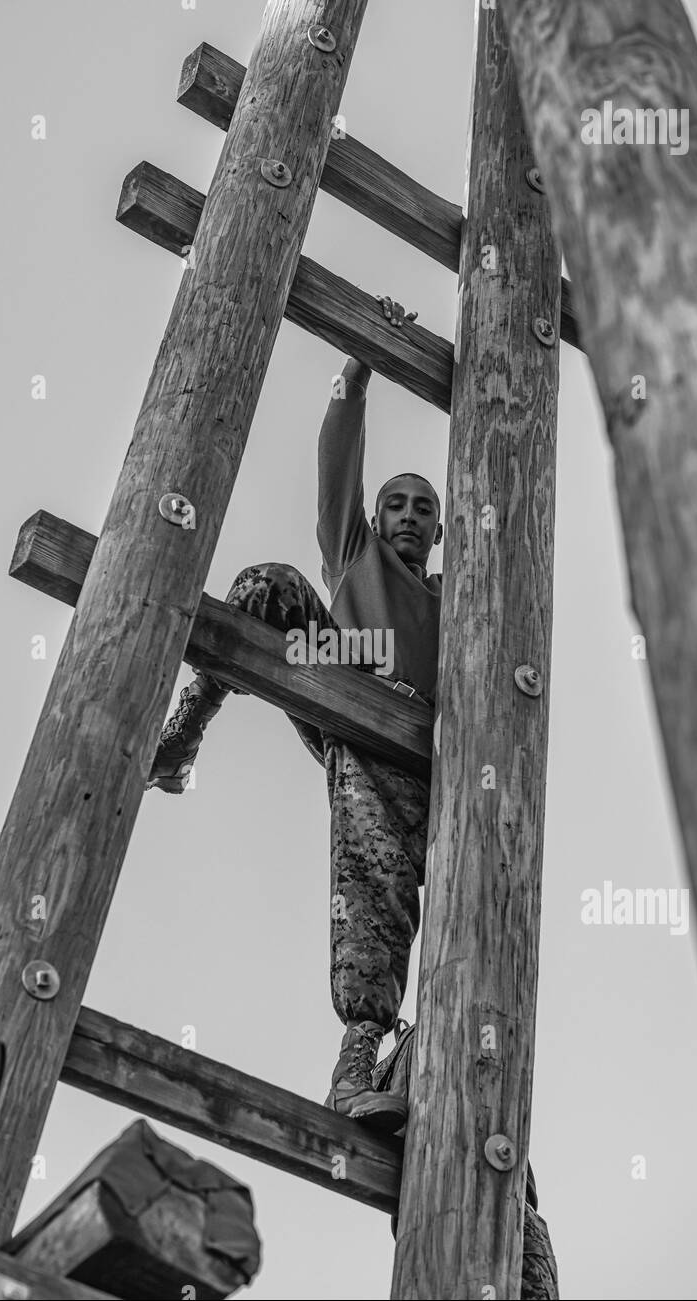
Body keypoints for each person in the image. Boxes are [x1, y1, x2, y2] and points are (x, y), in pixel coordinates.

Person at [146, 356, 442, 1134]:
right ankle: (186, 731)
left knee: (374, 876)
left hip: (399, 752)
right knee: (263, 585)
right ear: (376, 521)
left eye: (423, 509)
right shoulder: (356, 556)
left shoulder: (461, 601)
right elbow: (336, 468)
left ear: (440, 531)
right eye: (396, 505)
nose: (408, 516)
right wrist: (357, 370)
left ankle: (356, 1062)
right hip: (338, 684)